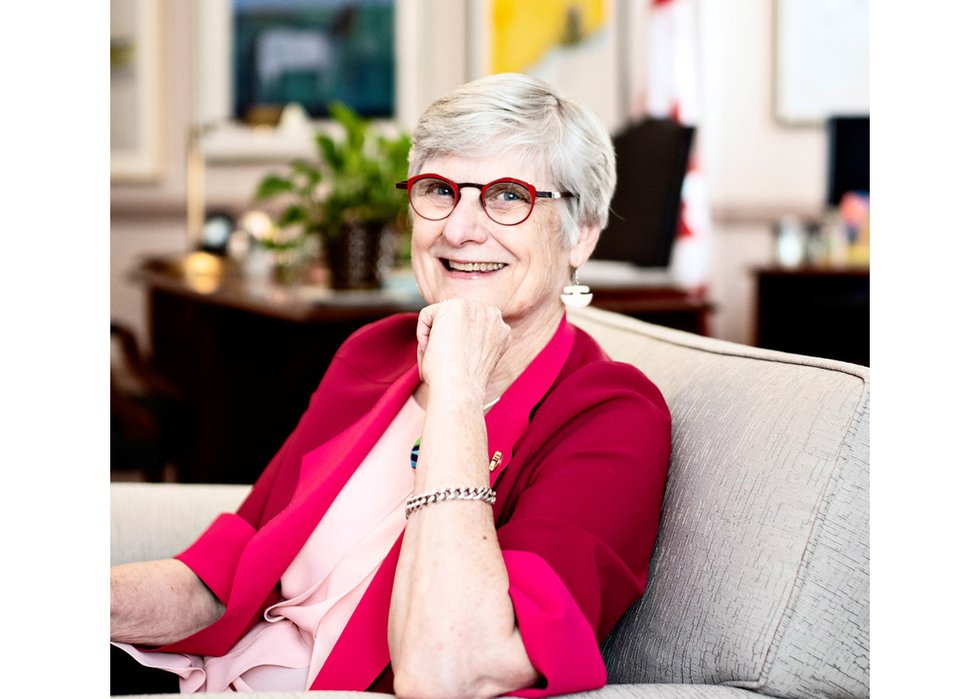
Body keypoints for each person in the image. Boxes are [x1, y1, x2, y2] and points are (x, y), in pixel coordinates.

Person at [110, 72, 672, 698]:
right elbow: (224, 577)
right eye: (439, 191)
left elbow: (452, 669)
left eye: (508, 196)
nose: (458, 230)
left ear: (582, 232)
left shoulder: (610, 416)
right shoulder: (375, 352)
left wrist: (457, 390)